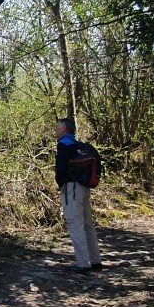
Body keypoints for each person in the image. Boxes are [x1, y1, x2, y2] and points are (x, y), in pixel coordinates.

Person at [55, 117, 102, 273]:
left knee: (76, 224)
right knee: (88, 224)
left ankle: (82, 264)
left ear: (64, 129)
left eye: (58, 128)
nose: (56, 131)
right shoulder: (77, 145)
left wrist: (60, 183)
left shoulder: (63, 144)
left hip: (71, 188)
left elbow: (61, 169)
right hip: (84, 187)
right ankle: (95, 261)